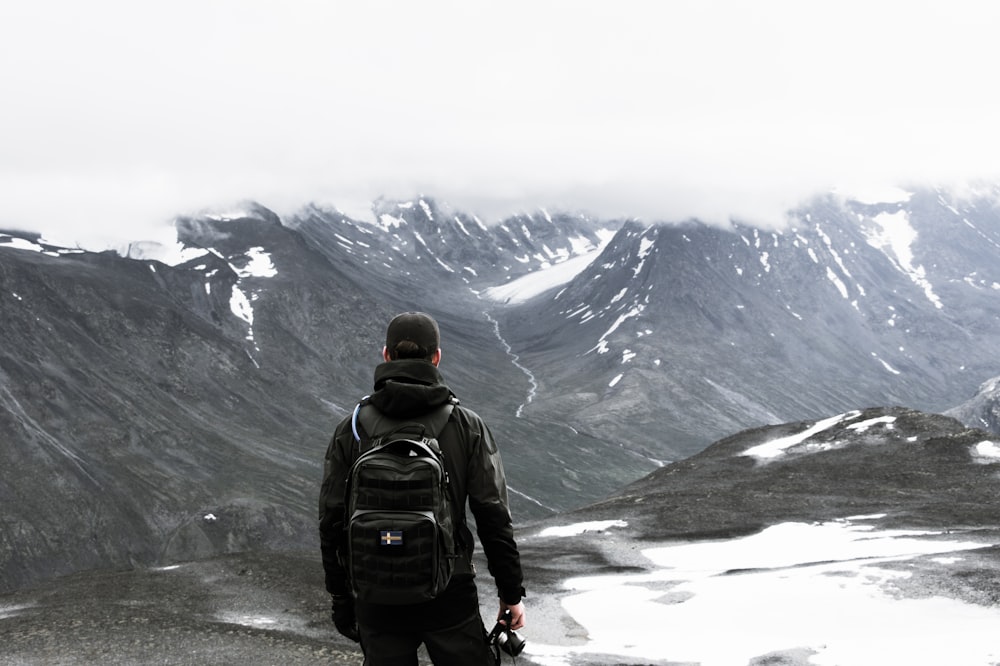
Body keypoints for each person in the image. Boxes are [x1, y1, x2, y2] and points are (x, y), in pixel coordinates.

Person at [319, 311, 526, 665]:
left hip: (374, 594)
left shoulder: (350, 428)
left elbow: (331, 521)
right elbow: (493, 515)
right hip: (449, 591)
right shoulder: (467, 425)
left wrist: (342, 597)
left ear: (386, 355)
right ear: (437, 357)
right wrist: (511, 593)